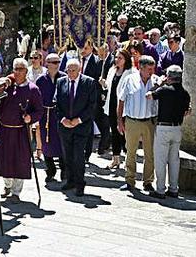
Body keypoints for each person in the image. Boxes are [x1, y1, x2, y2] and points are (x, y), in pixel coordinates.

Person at [0, 58, 44, 202]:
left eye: (20, 69)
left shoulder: (33, 89)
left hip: (20, 131)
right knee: (4, 159)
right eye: (15, 69)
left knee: (19, 160)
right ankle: (7, 186)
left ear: (26, 71)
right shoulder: (8, 86)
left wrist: (31, 117)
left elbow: (39, 111)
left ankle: (16, 192)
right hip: (4, 129)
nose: (17, 72)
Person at [55, 58, 99, 196]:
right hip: (65, 126)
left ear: (79, 70)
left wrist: (78, 120)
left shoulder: (89, 82)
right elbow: (56, 103)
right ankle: (71, 180)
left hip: (81, 126)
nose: (70, 72)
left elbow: (92, 106)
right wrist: (63, 119)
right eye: (68, 70)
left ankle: (80, 183)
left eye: (73, 70)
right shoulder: (61, 82)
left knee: (78, 156)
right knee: (67, 155)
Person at [117, 55, 158, 192]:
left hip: (149, 122)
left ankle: (148, 181)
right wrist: (120, 121)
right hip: (132, 121)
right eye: (149, 69)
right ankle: (129, 180)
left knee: (149, 153)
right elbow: (121, 100)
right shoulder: (130, 80)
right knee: (131, 152)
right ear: (141, 68)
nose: (152, 71)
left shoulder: (156, 81)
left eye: (153, 68)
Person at [148, 65, 190, 199]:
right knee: (174, 160)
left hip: (163, 127)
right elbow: (186, 111)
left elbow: (149, 95)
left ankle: (160, 189)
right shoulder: (185, 94)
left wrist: (158, 84)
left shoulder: (164, 90)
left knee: (160, 160)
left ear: (169, 77)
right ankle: (173, 188)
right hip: (177, 128)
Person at [35, 53, 67, 183]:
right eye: (53, 62)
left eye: (58, 62)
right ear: (46, 64)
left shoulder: (64, 78)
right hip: (45, 116)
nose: (56, 65)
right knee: (46, 143)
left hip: (59, 115)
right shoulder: (41, 80)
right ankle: (50, 171)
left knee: (62, 143)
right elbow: (36, 98)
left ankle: (65, 171)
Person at [102, 49, 134, 170]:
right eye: (116, 57)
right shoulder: (112, 70)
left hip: (124, 107)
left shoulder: (131, 72)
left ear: (126, 59)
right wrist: (103, 83)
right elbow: (108, 86)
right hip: (112, 105)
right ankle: (115, 159)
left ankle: (128, 158)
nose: (117, 60)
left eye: (120, 58)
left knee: (124, 134)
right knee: (114, 132)